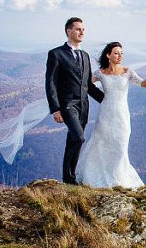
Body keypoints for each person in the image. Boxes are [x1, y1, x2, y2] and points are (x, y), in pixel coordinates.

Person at [76, 42, 146, 188]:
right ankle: (98, 177)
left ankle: (118, 177)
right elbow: (84, 83)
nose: (120, 56)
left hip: (122, 115)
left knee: (121, 146)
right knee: (101, 145)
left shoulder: (128, 72)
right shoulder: (100, 73)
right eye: (116, 53)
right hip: (105, 114)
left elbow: (144, 84)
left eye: (121, 53)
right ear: (108, 55)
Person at [45, 17, 106, 185]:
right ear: (68, 31)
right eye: (78, 29)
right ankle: (69, 179)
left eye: (83, 29)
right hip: (67, 104)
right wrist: (55, 109)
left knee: (73, 139)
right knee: (79, 137)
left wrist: (108, 101)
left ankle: (68, 178)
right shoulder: (56, 54)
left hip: (83, 106)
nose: (82, 32)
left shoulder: (85, 56)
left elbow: (88, 86)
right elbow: (50, 83)